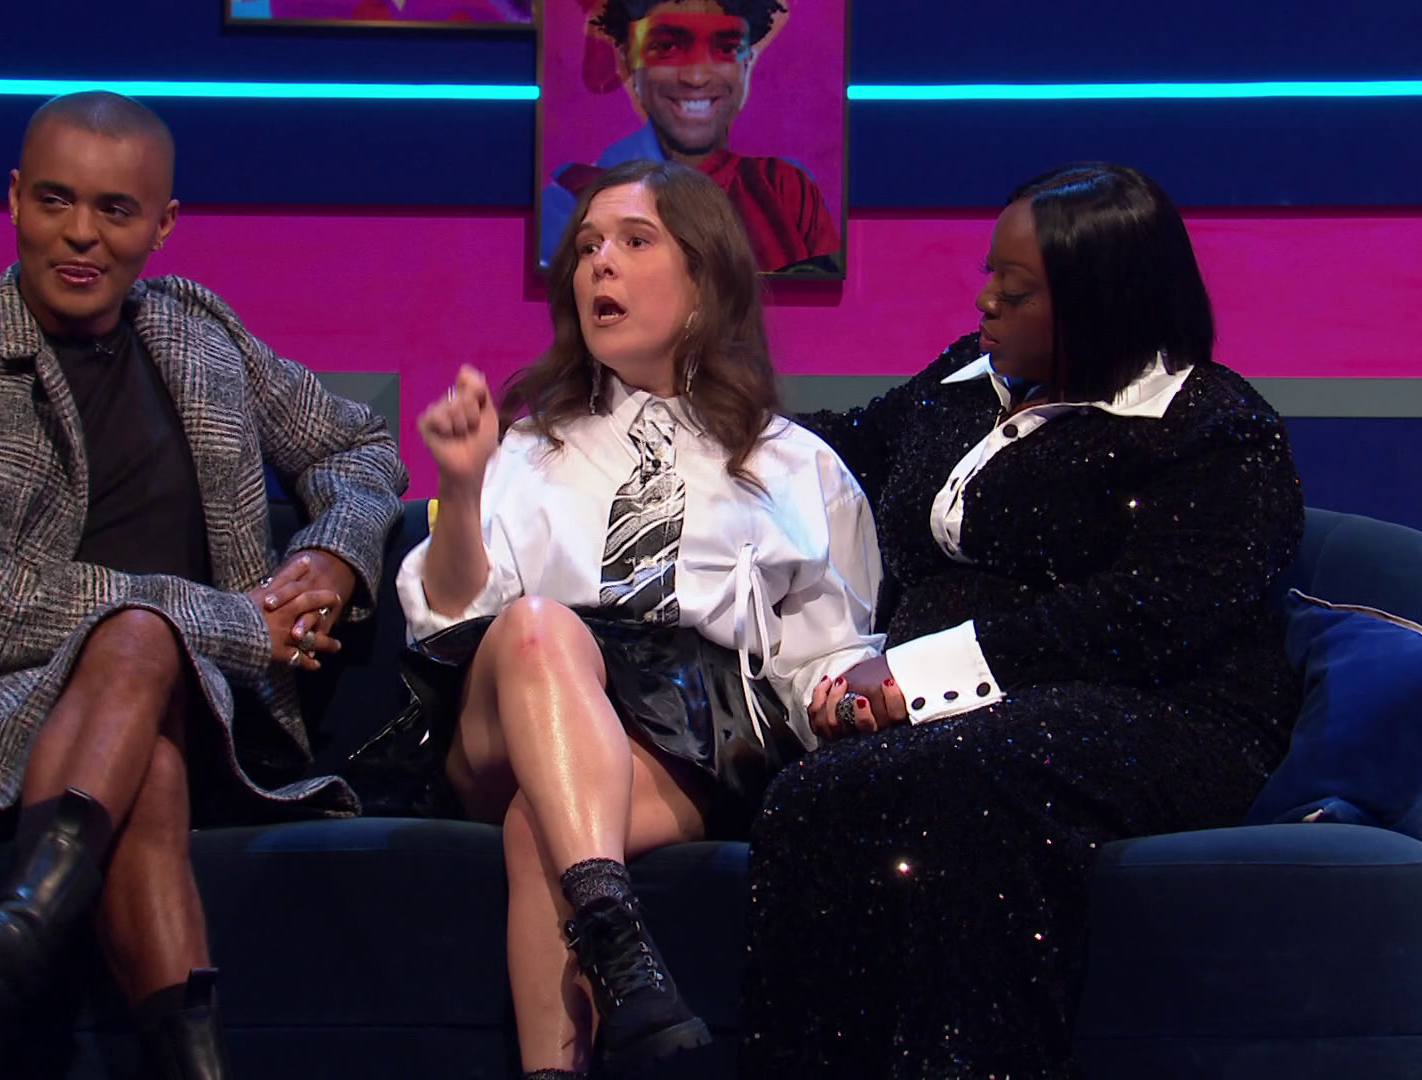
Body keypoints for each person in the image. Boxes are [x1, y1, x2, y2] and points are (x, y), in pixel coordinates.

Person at [0, 91, 408, 1080]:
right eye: (55, 200)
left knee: (146, 663)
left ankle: (11, 942)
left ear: (162, 224)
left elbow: (358, 446)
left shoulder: (198, 331)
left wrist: (332, 558)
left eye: (115, 210)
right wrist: (234, 621)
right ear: (14, 201)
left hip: (203, 715)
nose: (81, 233)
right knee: (140, 672)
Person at [740, 163, 1307, 1078]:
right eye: (989, 275)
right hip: (955, 718)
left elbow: (1150, 617)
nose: (986, 302)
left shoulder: (1213, 428)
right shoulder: (962, 383)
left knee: (963, 783)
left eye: (1017, 287)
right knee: (811, 794)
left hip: (1160, 713)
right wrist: (699, 418)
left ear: (1103, 300)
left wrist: (914, 677)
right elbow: (837, 453)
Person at [399, 158, 880, 1078]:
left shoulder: (797, 466)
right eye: (586, 248)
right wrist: (460, 489)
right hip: (515, 700)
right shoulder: (527, 449)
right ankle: (619, 934)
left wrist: (850, 693)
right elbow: (447, 622)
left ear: (703, 280)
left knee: (543, 826)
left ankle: (587, 986)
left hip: (692, 735)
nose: (599, 265)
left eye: (632, 241)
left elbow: (822, 655)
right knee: (540, 628)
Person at [539, 0, 841, 275]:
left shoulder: (788, 192)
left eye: (726, 48)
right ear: (627, 60)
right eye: (667, 47)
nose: (697, 77)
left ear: (747, 63)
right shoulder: (573, 201)